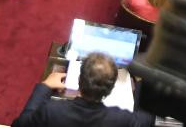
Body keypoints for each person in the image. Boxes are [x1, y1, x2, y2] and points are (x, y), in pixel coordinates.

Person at [12, 52, 154, 126]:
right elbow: (147, 119)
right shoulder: (122, 119)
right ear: (110, 89)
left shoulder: (51, 110)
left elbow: (20, 125)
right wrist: (141, 83)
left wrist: (44, 87)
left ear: (79, 80)